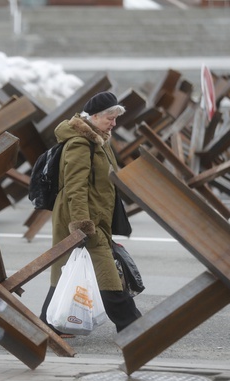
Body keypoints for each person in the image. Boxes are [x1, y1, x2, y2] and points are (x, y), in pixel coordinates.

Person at [40, 91, 142, 336]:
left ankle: (47, 323)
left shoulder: (98, 139)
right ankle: (132, 324)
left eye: (116, 117)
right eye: (110, 117)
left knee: (68, 268)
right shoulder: (80, 143)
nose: (114, 123)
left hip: (96, 215)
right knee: (105, 270)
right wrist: (81, 225)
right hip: (83, 218)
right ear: (94, 116)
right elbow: (76, 186)